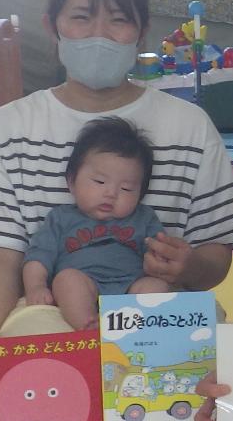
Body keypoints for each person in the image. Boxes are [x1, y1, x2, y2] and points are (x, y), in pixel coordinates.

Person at [0, 0, 233, 392]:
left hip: (153, 306)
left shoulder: (189, 126)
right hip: (47, 311)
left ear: (141, 31)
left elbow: (215, 255)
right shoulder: (7, 129)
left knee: (219, 366)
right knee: (25, 355)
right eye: (81, 18)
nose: (99, 35)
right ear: (52, 25)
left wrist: (187, 266)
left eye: (118, 20)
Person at [21, 118, 172, 331]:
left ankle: (132, 331)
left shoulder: (145, 218)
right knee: (66, 280)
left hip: (131, 286)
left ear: (140, 194)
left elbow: (160, 256)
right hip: (83, 282)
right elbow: (38, 257)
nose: (111, 193)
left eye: (126, 189)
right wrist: (35, 287)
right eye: (100, 182)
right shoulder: (60, 218)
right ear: (72, 181)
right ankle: (89, 327)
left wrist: (161, 258)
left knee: (157, 287)